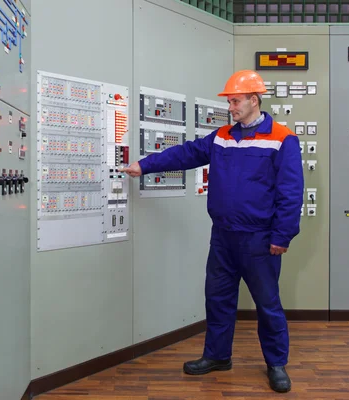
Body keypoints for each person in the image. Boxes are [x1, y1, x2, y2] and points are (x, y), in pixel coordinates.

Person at [120, 70, 303, 393]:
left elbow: (291, 192)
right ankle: (218, 356)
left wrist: (281, 237)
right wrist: (145, 165)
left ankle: (276, 363)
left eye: (235, 101)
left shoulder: (282, 139)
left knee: (267, 303)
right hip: (223, 236)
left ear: (253, 100)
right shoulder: (220, 137)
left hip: (259, 239)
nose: (231, 107)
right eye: (230, 102)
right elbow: (186, 153)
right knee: (218, 299)